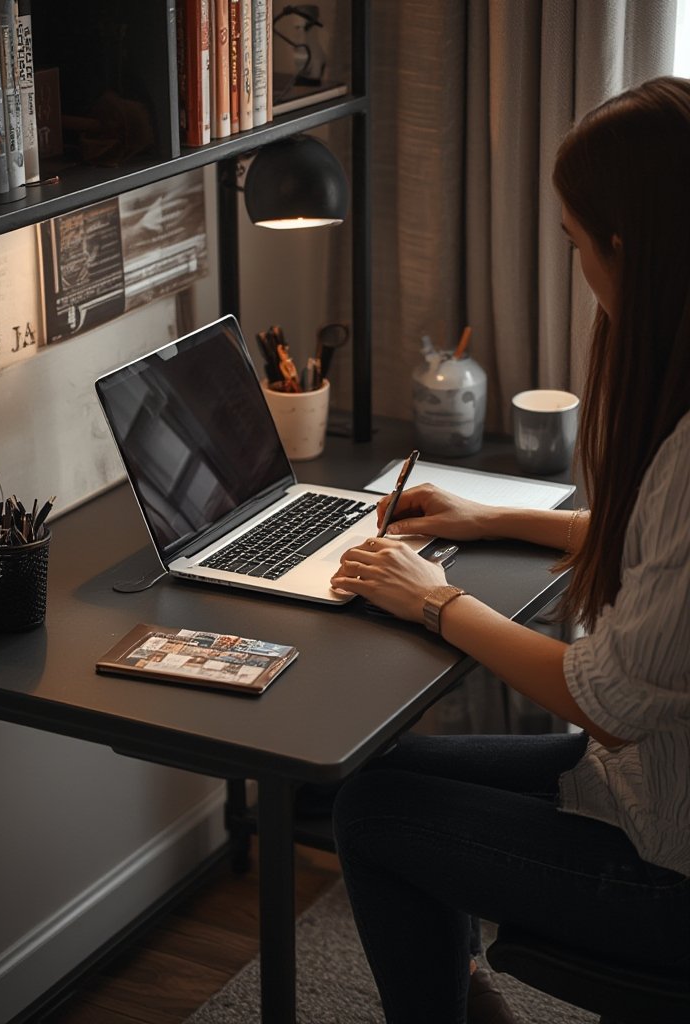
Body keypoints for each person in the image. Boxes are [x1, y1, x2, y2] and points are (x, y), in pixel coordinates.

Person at [329, 76, 690, 1024]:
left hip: (670, 869)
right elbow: (664, 559)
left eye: (575, 244)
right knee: (383, 777)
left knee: (372, 813)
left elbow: (604, 705)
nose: (578, 269)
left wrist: (434, 600)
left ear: (627, 248)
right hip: (650, 792)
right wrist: (492, 520)